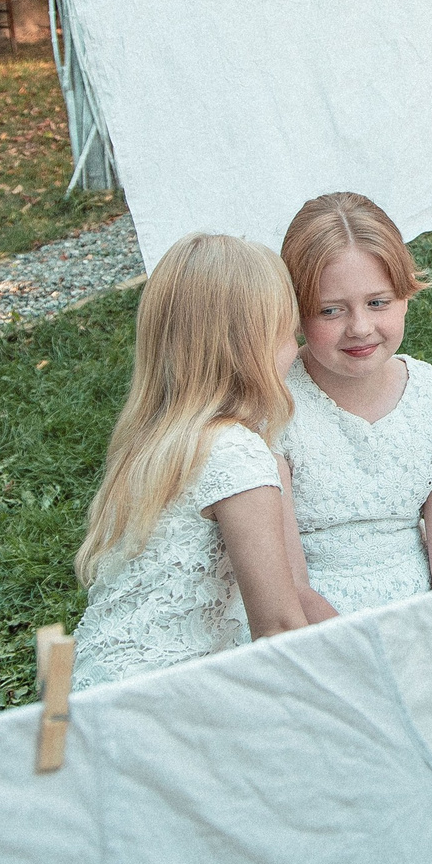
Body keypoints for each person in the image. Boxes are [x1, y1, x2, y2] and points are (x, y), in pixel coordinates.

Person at [71, 233, 332, 687]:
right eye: (287, 335)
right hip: (162, 703)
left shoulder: (156, 442)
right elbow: (278, 627)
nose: (295, 350)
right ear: (249, 348)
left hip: (94, 687)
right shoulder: (238, 454)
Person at [277, 193, 432, 616]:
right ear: (297, 313)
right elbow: (288, 587)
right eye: (330, 310)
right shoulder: (276, 405)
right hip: (312, 627)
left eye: (378, 303)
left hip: (420, 615)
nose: (360, 328)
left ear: (405, 294)